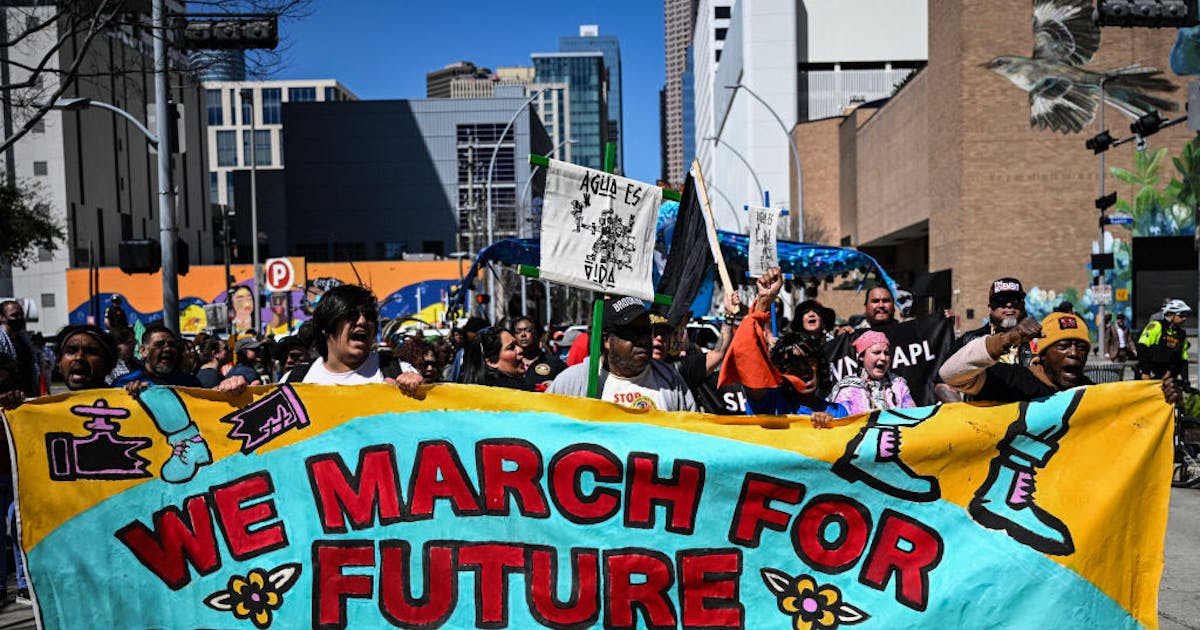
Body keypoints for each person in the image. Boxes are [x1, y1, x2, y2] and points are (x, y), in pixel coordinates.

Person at [934, 312, 1095, 554]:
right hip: (997, 529)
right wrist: (1008, 338)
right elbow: (950, 374)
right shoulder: (1012, 380)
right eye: (1063, 346)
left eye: (1081, 347)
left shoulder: (1092, 394)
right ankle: (1006, 497)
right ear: (1043, 353)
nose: (1074, 353)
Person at [718, 267, 848, 425]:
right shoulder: (770, 403)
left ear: (820, 365)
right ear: (780, 372)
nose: (803, 370)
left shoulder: (838, 412)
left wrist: (834, 426)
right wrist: (764, 302)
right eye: (793, 364)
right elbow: (747, 356)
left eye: (809, 361)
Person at [548, 296, 696, 412]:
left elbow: (688, 431)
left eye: (646, 330)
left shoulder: (670, 380)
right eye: (632, 332)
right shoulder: (573, 382)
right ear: (607, 340)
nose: (643, 339)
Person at [829, 330, 914, 415]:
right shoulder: (847, 391)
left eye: (886, 353)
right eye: (877, 353)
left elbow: (913, 416)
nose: (883, 358)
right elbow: (841, 420)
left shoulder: (898, 385)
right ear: (862, 357)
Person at [112, 324, 202, 389]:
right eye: (159, 344)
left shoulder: (190, 383)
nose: (167, 349)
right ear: (143, 351)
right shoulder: (125, 383)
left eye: (171, 344)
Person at [459, 327, 531, 390]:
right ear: (492, 362)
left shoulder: (467, 389)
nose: (520, 350)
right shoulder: (516, 392)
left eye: (517, 344)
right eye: (511, 347)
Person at [1137, 299, 1190, 383]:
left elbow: (1183, 359)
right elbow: (1142, 348)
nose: (1185, 318)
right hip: (1149, 373)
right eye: (1182, 315)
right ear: (1170, 314)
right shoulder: (1156, 325)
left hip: (1167, 376)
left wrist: (1185, 380)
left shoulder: (1181, 334)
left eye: (1186, 315)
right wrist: (1145, 372)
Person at [512, 315, 566, 391]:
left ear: (538, 334)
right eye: (518, 331)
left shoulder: (554, 363)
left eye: (528, 330)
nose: (523, 334)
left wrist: (556, 385)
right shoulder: (510, 362)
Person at [0, 300, 38, 397]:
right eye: (14, 315)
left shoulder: (25, 340)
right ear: (2, 317)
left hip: (28, 395)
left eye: (21, 315)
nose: (19, 318)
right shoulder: (1, 340)